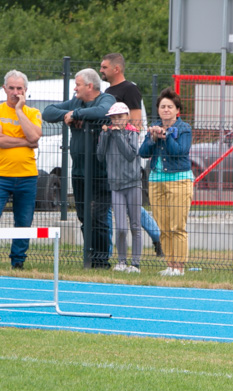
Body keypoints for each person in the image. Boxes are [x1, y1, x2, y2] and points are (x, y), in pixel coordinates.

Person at [43, 68, 116, 269]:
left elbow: (102, 112)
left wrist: (76, 114)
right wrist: (70, 113)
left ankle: (102, 261)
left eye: (78, 84)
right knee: (84, 217)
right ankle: (89, 257)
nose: (75, 88)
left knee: (99, 218)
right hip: (79, 172)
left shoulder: (106, 99)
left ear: (90, 86)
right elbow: (48, 112)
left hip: (101, 173)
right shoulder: (75, 101)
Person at [100, 52, 163, 257]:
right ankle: (114, 254)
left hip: (127, 153)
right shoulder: (108, 90)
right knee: (118, 208)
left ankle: (156, 237)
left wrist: (126, 137)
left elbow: (136, 122)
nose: (101, 70)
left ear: (116, 69)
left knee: (133, 210)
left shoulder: (130, 89)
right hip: (112, 156)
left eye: (104, 67)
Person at [139, 88, 193, 276]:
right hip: (156, 181)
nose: (166, 110)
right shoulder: (154, 126)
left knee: (177, 226)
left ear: (177, 110)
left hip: (179, 180)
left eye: (170, 106)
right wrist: (153, 138)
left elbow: (179, 151)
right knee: (163, 227)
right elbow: (143, 152)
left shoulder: (184, 128)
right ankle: (170, 265)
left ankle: (179, 267)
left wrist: (166, 134)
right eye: (163, 106)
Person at [0, 70, 42, 270]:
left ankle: (18, 261)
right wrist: (26, 142)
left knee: (24, 221)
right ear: (4, 89)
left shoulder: (32, 113)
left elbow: (35, 137)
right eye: (11, 88)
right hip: (2, 175)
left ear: (25, 90)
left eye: (19, 88)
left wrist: (19, 110)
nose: (15, 92)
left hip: (27, 176)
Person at [97, 102, 142, 273]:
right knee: (121, 227)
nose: (117, 120)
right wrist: (106, 136)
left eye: (120, 117)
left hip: (133, 184)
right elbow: (100, 156)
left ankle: (135, 263)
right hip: (116, 185)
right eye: (113, 117)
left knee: (135, 225)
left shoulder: (133, 133)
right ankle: (121, 261)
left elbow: (130, 154)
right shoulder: (107, 133)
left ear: (127, 117)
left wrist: (117, 135)